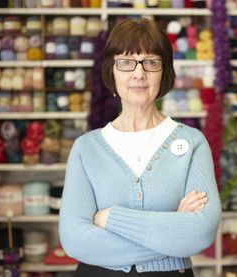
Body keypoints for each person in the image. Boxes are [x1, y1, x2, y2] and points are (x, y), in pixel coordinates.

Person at [59, 18, 222, 277]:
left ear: (164, 71)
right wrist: (173, 235)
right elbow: (75, 240)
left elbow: (200, 232)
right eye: (125, 62)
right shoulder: (85, 149)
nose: (139, 73)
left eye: (151, 62)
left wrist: (109, 218)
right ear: (111, 70)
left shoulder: (192, 143)